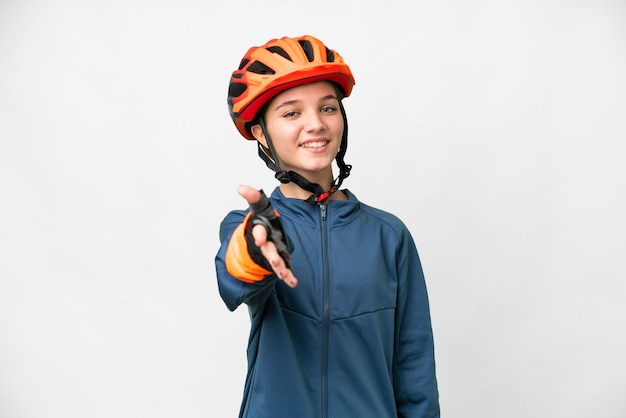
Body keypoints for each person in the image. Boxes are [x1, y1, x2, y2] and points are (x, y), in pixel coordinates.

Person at [215, 35, 440, 418]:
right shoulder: (249, 225)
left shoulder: (388, 235)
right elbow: (236, 277)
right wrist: (255, 249)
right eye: (291, 113)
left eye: (328, 108)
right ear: (260, 132)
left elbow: (414, 367)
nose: (315, 124)